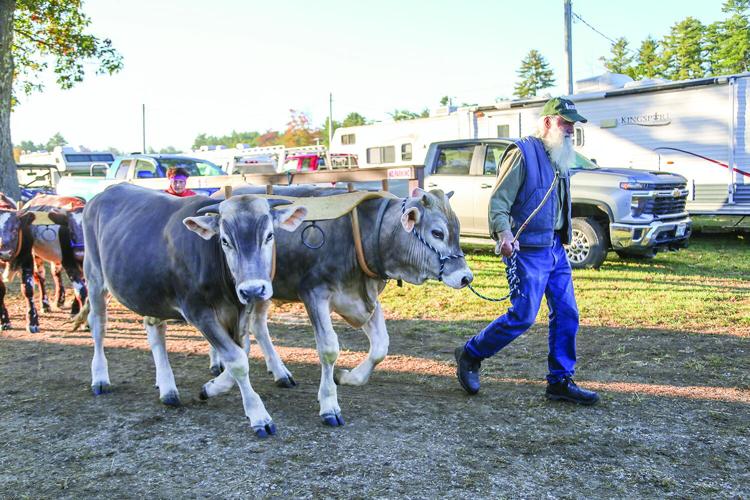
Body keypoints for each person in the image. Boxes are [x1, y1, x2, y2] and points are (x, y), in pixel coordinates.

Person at [454, 97, 599, 405]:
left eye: (573, 124)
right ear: (547, 123)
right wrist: (504, 233)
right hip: (527, 251)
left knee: (568, 313)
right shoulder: (522, 153)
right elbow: (499, 202)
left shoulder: (560, 156)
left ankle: (560, 381)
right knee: (523, 316)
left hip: (555, 250)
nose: (571, 129)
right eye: (565, 123)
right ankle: (470, 353)